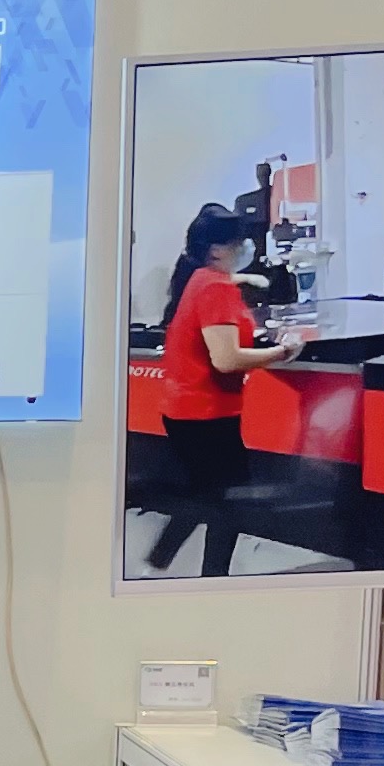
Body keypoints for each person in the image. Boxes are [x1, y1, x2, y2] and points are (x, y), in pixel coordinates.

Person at [146, 202, 303, 580]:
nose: (244, 247)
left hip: (185, 410)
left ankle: (159, 559)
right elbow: (227, 359)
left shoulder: (200, 278)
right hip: (207, 413)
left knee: (206, 492)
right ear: (217, 249)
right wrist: (282, 352)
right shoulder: (215, 288)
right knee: (229, 502)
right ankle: (212, 578)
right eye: (238, 242)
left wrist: (245, 281)